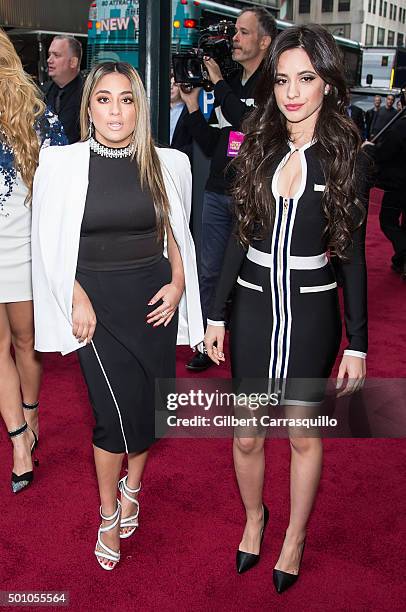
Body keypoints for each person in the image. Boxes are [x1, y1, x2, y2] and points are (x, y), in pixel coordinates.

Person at [205, 25, 369, 593]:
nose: (293, 92)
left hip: (314, 309)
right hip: (251, 304)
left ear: (327, 82)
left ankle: (294, 536)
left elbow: (351, 255)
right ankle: (256, 518)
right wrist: (216, 313)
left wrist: (358, 342)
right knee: (247, 434)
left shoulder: (347, 153)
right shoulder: (257, 143)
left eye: (306, 78)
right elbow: (236, 235)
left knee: (302, 433)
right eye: (282, 79)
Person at [31, 62, 203, 570]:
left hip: (153, 303)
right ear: (89, 106)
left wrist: (176, 284)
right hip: (95, 306)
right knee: (111, 418)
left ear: (140, 108)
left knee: (149, 413)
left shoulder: (167, 163)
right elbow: (48, 243)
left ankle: (134, 486)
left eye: (126, 99)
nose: (115, 110)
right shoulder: (61, 165)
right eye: (103, 99)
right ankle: (108, 511)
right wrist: (75, 295)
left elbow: (177, 235)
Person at [180, 7, 276, 371]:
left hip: (255, 195)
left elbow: (248, 122)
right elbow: (212, 141)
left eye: (243, 32)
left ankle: (255, 345)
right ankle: (209, 342)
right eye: (235, 31)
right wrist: (192, 107)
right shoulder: (231, 83)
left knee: (253, 276)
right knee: (209, 272)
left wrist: (217, 84)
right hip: (218, 191)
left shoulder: (275, 82)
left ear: (264, 41)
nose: (234, 38)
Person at [0, 28, 66, 494]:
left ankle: (32, 410)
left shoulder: (38, 116)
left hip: (23, 249)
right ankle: (20, 442)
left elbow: (63, 185)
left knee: (26, 343)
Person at [364, 91, 406, 277]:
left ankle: (403, 254)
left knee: (388, 221)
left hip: (399, 185)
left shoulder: (400, 127)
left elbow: (384, 153)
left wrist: (370, 150)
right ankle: (400, 262)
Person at [43, 35, 83, 143]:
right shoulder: (42, 92)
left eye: (56, 55)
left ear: (73, 62)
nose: (49, 60)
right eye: (49, 55)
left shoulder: (88, 95)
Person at [170, 74, 192, 163]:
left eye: (175, 84)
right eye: (169, 83)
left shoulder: (189, 110)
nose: (171, 87)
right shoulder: (160, 110)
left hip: (181, 160)